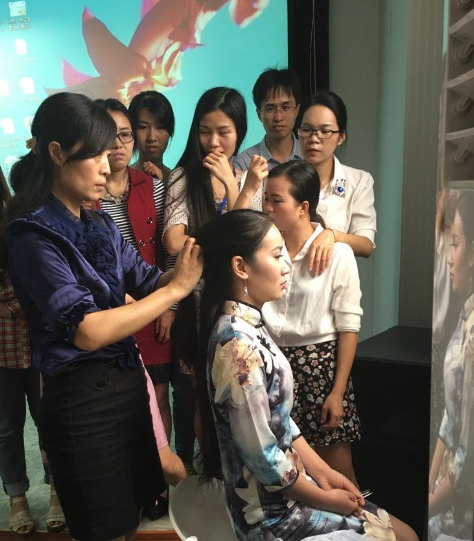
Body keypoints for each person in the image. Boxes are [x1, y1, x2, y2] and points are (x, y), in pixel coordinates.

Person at [3, 92, 203, 541]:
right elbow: (87, 331)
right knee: (104, 529)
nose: (107, 164)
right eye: (94, 154)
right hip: (82, 402)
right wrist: (176, 290)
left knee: (128, 521)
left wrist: (201, 253)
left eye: (109, 150)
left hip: (127, 388)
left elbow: (147, 279)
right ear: (57, 153)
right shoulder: (32, 235)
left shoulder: (100, 225)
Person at [175, 209, 418, 541]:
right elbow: (263, 459)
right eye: (277, 255)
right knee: (402, 536)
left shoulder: (248, 325)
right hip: (272, 517)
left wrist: (325, 473)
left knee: (404, 533)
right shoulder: (237, 348)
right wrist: (325, 497)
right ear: (241, 267)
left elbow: (281, 421)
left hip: (290, 493)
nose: (287, 266)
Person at [163, 87, 267, 469]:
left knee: (241, 394)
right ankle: (205, 473)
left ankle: (236, 472)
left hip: (241, 306)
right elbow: (174, 241)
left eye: (224, 132)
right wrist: (219, 242)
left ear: (239, 131)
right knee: (200, 395)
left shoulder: (250, 178)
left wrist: (236, 186)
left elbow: (248, 240)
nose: (213, 142)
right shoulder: (182, 177)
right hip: (197, 307)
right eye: (205, 131)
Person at [261, 160, 362, 485]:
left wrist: (338, 391)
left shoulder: (339, 254)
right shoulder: (264, 251)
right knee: (287, 475)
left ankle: (365, 520)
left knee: (338, 474)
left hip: (319, 369)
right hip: (272, 366)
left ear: (303, 207)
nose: (267, 207)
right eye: (266, 198)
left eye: (277, 200)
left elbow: (349, 328)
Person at [95, 97, 175, 444]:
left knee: (159, 397)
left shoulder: (153, 185)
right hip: (108, 313)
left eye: (125, 134)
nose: (118, 144)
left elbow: (168, 252)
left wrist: (169, 305)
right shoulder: (86, 196)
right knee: (120, 402)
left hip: (154, 306)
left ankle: (161, 469)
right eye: (108, 135)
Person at [0, 170, 66, 536]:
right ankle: (17, 499)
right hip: (2, 347)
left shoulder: (17, 217)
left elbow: (39, 275)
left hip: (38, 340)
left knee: (49, 420)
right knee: (7, 427)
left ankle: (58, 490)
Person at [429, 193, 474, 540]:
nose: (449, 256)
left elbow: (468, 460)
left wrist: (429, 505)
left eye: (455, 244)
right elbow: (451, 416)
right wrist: (429, 480)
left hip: (459, 514)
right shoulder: (466, 313)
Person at [295, 90, 376, 271]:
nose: (313, 139)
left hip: (335, 280)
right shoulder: (284, 179)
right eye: (306, 129)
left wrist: (332, 235)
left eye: (325, 131)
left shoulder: (359, 181)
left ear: (341, 137)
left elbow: (366, 245)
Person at [233, 68, 302, 172]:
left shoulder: (310, 154)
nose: (278, 117)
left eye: (285, 107)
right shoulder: (244, 163)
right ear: (259, 114)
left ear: (297, 110)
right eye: (270, 109)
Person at [129, 90, 174, 185]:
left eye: (160, 127)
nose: (152, 137)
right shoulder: (121, 179)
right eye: (143, 127)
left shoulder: (179, 183)